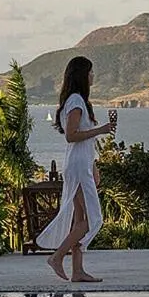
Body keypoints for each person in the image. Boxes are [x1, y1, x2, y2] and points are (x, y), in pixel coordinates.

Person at [38, 56, 115, 282]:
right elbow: (72, 136)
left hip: (82, 164)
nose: (93, 76)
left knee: (80, 218)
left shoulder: (79, 101)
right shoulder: (75, 101)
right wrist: (101, 130)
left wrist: (94, 166)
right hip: (78, 166)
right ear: (82, 75)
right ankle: (57, 257)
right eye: (90, 72)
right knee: (91, 219)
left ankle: (78, 271)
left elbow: (84, 143)